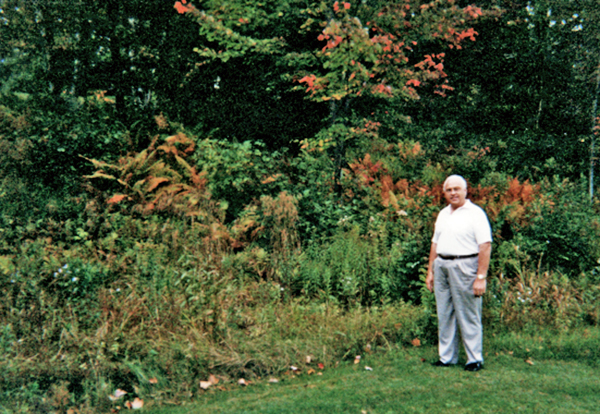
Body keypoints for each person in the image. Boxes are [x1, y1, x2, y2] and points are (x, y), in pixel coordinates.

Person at [425, 174, 492, 372]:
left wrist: (481, 277)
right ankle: (446, 358)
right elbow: (434, 244)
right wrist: (430, 271)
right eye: (449, 190)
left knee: (468, 313)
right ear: (444, 192)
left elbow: (485, 246)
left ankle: (474, 359)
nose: (453, 193)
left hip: (465, 266)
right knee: (445, 313)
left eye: (457, 189)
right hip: (442, 266)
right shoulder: (443, 214)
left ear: (465, 190)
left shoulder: (475, 213)